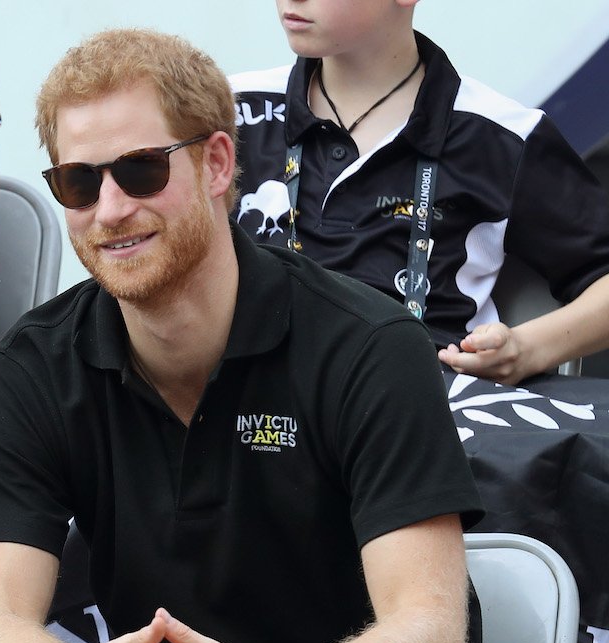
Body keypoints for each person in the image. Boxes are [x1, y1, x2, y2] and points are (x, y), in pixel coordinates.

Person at [0, 28, 515, 643]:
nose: (111, 209)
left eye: (141, 170)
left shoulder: (369, 345)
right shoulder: (32, 365)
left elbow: (430, 638)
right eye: (79, 183)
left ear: (218, 164)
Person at [230, 0, 609, 384]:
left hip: (425, 417)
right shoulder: (229, 112)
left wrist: (529, 349)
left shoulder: (502, 135)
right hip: (250, 412)